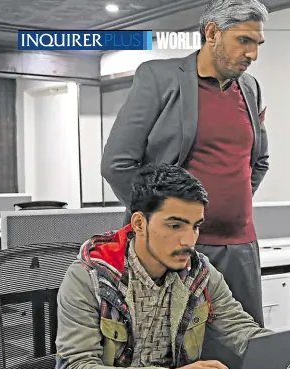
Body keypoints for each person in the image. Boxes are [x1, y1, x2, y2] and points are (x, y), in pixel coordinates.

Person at [46, 164, 290, 369]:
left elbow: (242, 331)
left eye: (195, 226)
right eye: (175, 225)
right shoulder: (90, 277)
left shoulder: (199, 273)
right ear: (140, 223)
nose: (188, 240)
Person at [100, 0, 269, 330]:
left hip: (239, 246)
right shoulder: (160, 78)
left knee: (246, 352)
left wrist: (233, 202)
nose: (253, 54)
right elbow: (117, 164)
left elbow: (258, 161)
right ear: (212, 33)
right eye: (244, 41)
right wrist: (163, 221)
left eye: (258, 44)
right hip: (177, 249)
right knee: (177, 356)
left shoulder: (249, 88)